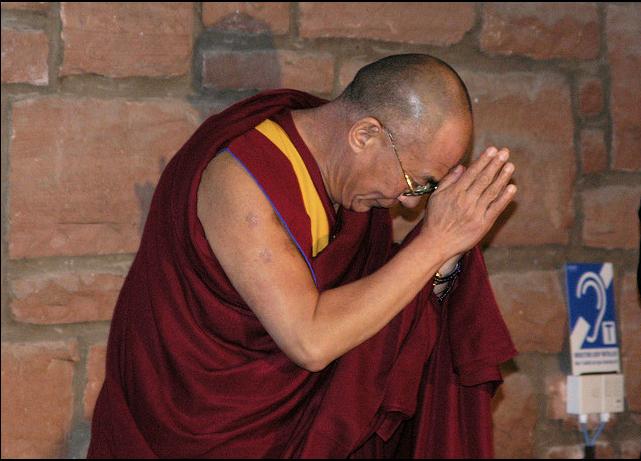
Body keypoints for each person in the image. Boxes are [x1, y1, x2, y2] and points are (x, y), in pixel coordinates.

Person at [88, 54, 517, 458]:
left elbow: (364, 318)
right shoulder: (242, 181)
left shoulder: (348, 192)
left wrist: (440, 266)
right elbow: (309, 340)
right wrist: (434, 242)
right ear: (364, 134)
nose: (408, 203)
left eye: (425, 189)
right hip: (193, 431)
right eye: (414, 181)